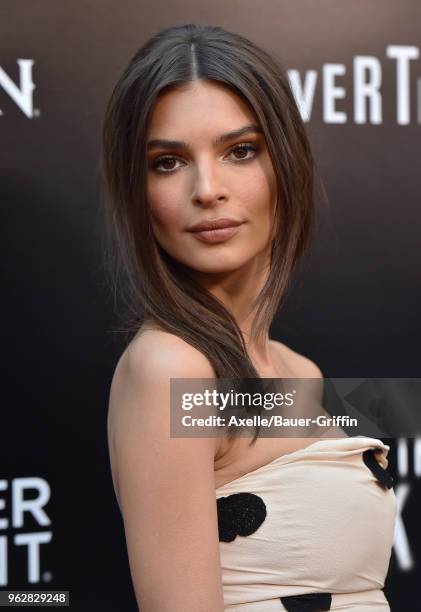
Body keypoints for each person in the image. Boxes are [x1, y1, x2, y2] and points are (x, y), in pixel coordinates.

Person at [100, 24, 396, 611]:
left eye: (240, 151)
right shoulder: (170, 369)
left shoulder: (298, 370)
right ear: (137, 191)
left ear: (286, 163)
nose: (207, 189)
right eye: (167, 162)